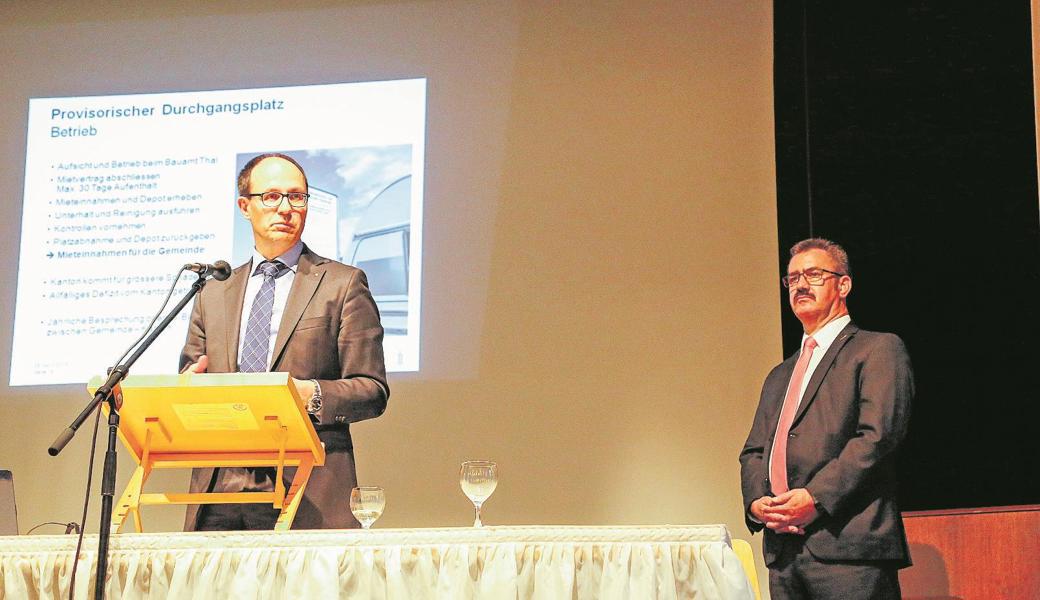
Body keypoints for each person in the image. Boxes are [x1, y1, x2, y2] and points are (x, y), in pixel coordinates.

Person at [180, 153, 389, 530]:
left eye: (297, 197)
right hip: (219, 492)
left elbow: (372, 389)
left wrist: (310, 394)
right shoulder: (213, 291)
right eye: (272, 196)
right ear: (245, 206)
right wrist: (189, 388)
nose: (286, 208)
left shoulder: (342, 284)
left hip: (308, 487)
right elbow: (191, 375)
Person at [739, 238, 913, 599]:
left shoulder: (877, 349)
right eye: (792, 279)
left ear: (844, 284)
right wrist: (758, 503)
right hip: (784, 553)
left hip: (848, 550)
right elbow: (754, 451)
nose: (800, 284)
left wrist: (814, 498)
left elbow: (877, 437)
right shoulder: (779, 374)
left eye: (814, 274)